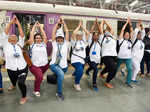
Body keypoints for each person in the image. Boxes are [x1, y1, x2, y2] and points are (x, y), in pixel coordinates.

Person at [0, 16, 28, 104]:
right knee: (13, 80)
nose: (13, 38)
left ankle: (24, 96)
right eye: (11, 37)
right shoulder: (5, 44)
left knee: (21, 83)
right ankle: (13, 84)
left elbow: (22, 34)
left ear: (17, 39)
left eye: (15, 37)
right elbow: (5, 33)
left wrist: (18, 23)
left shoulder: (20, 44)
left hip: (22, 67)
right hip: (10, 68)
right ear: (8, 39)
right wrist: (11, 22)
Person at [49, 18, 69, 100]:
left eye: (61, 38)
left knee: (59, 75)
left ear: (63, 38)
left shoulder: (66, 44)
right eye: (58, 38)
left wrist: (64, 23)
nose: (60, 39)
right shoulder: (54, 43)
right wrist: (57, 23)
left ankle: (56, 78)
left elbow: (67, 31)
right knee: (61, 75)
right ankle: (59, 93)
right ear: (56, 38)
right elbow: (53, 32)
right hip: (54, 64)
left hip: (64, 66)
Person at [28, 21, 49, 97]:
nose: (38, 39)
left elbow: (44, 36)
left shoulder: (43, 44)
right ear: (34, 39)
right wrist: (34, 26)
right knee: (40, 76)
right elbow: (31, 35)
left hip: (45, 65)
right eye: (36, 38)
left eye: (39, 38)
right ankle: (36, 90)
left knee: (39, 76)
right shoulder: (32, 44)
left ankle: (38, 78)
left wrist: (40, 27)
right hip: (35, 66)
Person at [71, 20, 90, 91]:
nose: (79, 36)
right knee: (80, 70)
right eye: (78, 35)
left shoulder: (84, 42)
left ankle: (74, 75)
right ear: (76, 36)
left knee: (79, 69)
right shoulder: (74, 42)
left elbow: (88, 33)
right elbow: (73, 33)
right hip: (75, 60)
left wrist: (82, 27)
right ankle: (76, 83)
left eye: (81, 35)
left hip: (82, 60)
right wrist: (78, 26)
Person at [85, 18, 103, 91]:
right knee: (95, 70)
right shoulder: (90, 41)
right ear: (93, 36)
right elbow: (91, 32)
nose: (96, 36)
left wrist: (98, 25)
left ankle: (87, 71)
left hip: (97, 60)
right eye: (94, 35)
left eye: (97, 35)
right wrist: (94, 24)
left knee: (93, 67)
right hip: (90, 59)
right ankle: (94, 83)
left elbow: (101, 32)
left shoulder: (100, 42)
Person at [99, 20, 117, 89]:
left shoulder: (112, 36)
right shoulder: (102, 37)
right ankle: (107, 82)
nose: (107, 31)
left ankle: (101, 74)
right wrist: (102, 22)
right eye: (105, 30)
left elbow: (111, 29)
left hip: (113, 56)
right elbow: (100, 28)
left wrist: (106, 22)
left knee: (109, 67)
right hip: (106, 56)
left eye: (108, 30)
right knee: (114, 69)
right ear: (104, 32)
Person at [116, 18, 134, 88]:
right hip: (120, 57)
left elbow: (132, 31)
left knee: (130, 69)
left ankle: (128, 82)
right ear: (123, 35)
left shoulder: (130, 41)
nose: (127, 35)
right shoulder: (121, 40)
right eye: (126, 34)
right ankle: (111, 78)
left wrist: (130, 24)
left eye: (128, 35)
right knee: (116, 68)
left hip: (128, 58)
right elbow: (122, 30)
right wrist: (126, 23)